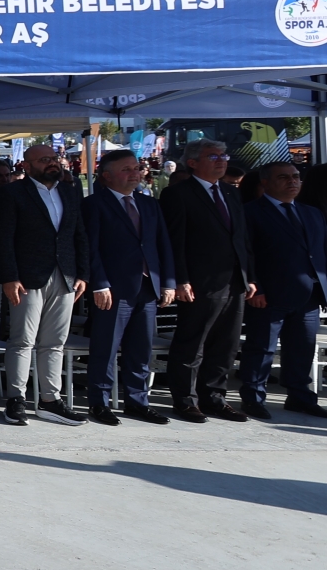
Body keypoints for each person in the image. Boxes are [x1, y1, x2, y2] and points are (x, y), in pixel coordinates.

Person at [0, 143, 89, 426]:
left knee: (55, 342)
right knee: (22, 340)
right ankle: (16, 399)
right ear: (27, 165)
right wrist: (9, 277)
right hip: (26, 278)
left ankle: (50, 400)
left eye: (54, 158)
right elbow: (3, 238)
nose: (52, 163)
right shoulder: (12, 193)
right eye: (44, 159)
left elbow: (79, 235)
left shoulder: (70, 191)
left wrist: (83, 274)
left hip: (65, 275)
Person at [160, 139, 257, 422]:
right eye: (213, 156)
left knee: (226, 344)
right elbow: (174, 241)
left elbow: (242, 238)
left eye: (223, 156)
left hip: (234, 280)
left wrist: (249, 276)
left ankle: (214, 398)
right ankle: (185, 400)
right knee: (193, 343)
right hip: (199, 282)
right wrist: (180, 279)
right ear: (192, 163)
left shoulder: (230, 192)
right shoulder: (178, 194)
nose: (221, 160)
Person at [83, 149, 176, 425]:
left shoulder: (148, 204)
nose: (134, 173)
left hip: (147, 287)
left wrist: (168, 282)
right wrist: (100, 284)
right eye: (126, 169)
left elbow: (162, 245)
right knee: (106, 349)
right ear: (107, 176)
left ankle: (138, 402)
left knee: (140, 350)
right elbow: (91, 248)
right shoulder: (94, 205)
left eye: (136, 168)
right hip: (113, 290)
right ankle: (99, 403)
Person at [238, 162, 327, 419]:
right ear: (265, 183)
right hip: (269, 295)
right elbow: (247, 254)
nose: (292, 181)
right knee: (261, 348)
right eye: (284, 177)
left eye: (296, 177)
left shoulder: (312, 213)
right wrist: (255, 287)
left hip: (309, 295)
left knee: (302, 348)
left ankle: (300, 397)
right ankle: (253, 397)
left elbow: (319, 252)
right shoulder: (250, 212)